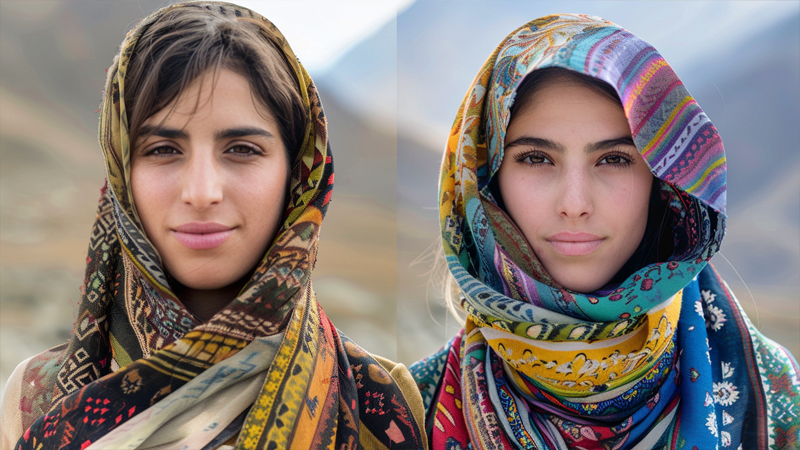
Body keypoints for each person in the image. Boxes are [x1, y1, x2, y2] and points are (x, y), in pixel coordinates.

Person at [0, 2, 426, 449]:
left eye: (242, 149)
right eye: (163, 149)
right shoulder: (34, 398)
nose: (202, 192)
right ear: (122, 174)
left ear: (298, 175)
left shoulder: (375, 398)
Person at [410, 14, 799, 449]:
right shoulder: (402, 418)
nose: (575, 204)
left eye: (613, 159)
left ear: (663, 182)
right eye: (536, 158)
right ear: (484, 181)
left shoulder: (784, 408)